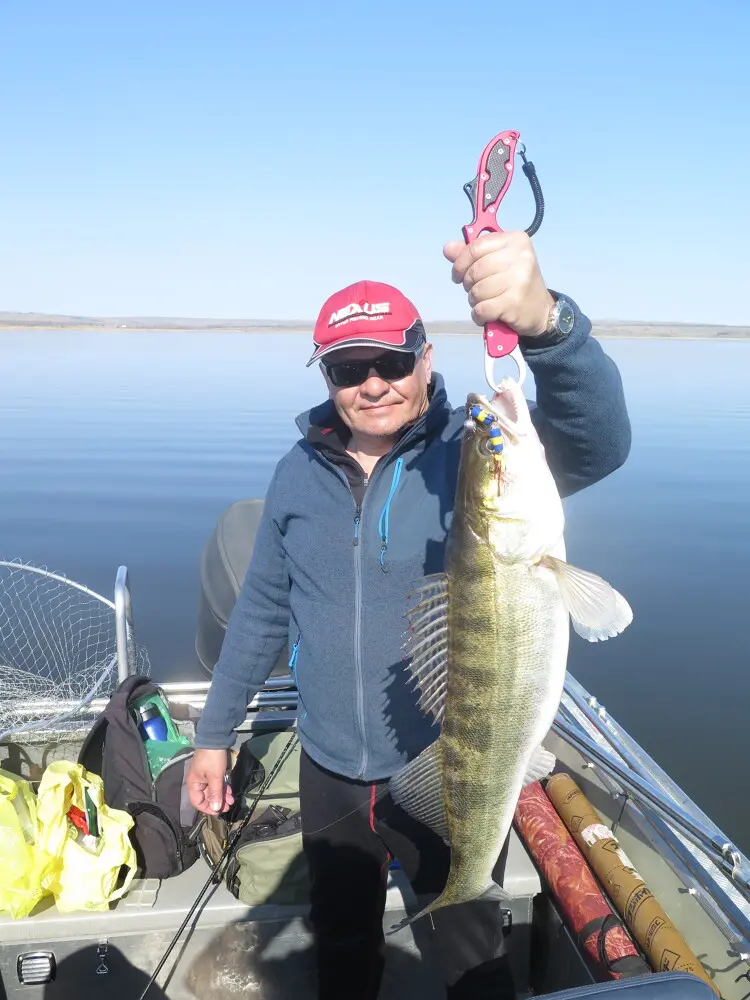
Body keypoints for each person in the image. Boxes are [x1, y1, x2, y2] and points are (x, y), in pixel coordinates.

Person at [186, 232, 632, 999]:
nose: (375, 385)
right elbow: (261, 610)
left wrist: (547, 324)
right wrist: (213, 738)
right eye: (349, 369)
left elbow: (601, 441)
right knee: (344, 953)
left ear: (426, 358)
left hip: (446, 765)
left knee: (471, 956)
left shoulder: (472, 451)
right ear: (326, 377)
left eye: (393, 362)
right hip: (328, 768)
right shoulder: (295, 475)